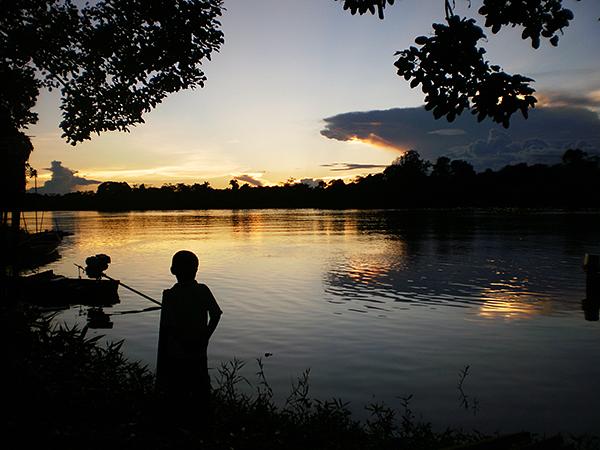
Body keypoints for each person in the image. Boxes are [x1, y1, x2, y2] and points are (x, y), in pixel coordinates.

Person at [156, 250, 222, 414]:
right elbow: (215, 315)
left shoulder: (169, 295)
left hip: (174, 354)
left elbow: (165, 329)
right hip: (198, 352)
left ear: (172, 270)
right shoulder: (203, 290)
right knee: (200, 391)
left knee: (177, 393)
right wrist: (205, 337)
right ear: (196, 270)